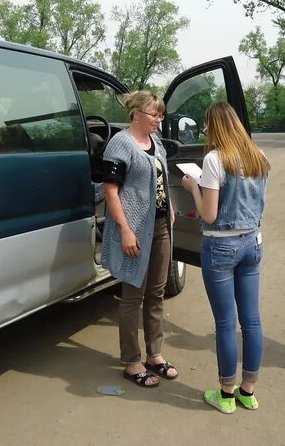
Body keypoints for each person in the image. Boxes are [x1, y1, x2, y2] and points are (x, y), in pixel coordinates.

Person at [181, 102, 269, 414]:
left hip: (220, 246)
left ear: (215, 126)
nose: (205, 131)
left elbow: (209, 213)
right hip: (252, 242)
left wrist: (193, 188)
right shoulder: (258, 156)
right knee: (252, 319)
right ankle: (249, 390)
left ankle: (227, 393)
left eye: (207, 125)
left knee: (225, 322)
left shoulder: (214, 159)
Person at [101, 90, 178, 388]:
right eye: (154, 114)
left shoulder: (156, 142)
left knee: (156, 293)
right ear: (136, 113)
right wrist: (125, 230)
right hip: (135, 229)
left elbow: (160, 178)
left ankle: (154, 355)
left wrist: (170, 206)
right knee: (133, 295)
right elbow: (110, 192)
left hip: (160, 227)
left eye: (161, 114)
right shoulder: (120, 144)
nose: (159, 120)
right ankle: (131, 361)